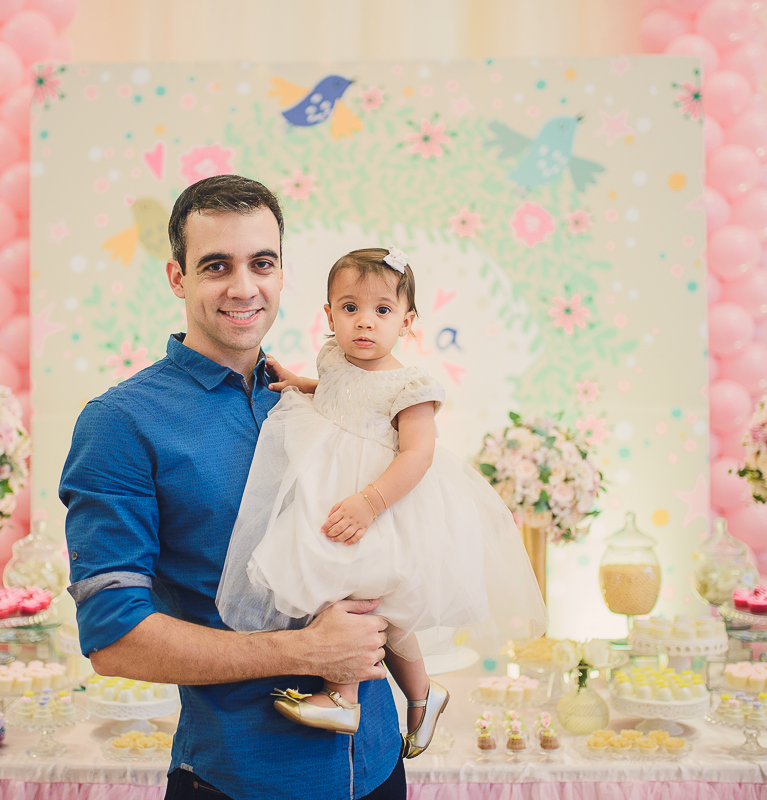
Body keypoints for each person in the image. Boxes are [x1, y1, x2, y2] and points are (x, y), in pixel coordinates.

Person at [60, 175, 406, 800]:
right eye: (216, 265)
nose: (244, 287)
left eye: (261, 263)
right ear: (177, 278)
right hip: (239, 779)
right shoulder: (121, 423)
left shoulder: (325, 397)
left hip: (381, 765)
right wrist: (305, 652)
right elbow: (114, 639)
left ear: (282, 274)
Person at [216, 247, 547, 755]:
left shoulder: (410, 386)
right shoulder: (335, 357)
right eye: (350, 308)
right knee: (376, 610)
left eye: (382, 310)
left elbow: (418, 455)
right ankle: (423, 694)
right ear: (329, 315)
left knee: (353, 594)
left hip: (383, 506)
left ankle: (342, 699)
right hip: (335, 498)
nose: (364, 321)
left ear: (407, 322)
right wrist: (299, 383)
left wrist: (370, 503)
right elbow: (339, 393)